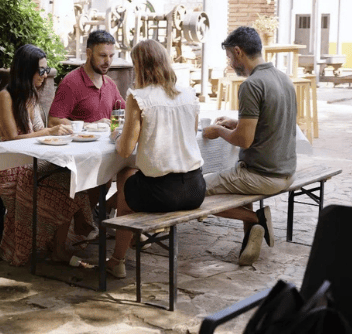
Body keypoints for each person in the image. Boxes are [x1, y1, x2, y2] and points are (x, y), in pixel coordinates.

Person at [105, 40, 205, 279]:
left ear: (139, 66)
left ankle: (117, 259)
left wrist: (116, 135)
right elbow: (190, 134)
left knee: (124, 177)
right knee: (132, 181)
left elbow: (125, 150)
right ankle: (131, 239)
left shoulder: (138, 97)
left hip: (163, 194)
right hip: (195, 188)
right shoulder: (189, 93)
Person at [0, 44, 95, 267]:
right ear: (26, 70)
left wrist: (59, 132)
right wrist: (48, 132)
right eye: (42, 70)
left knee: (72, 179)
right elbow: (10, 140)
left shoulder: (31, 97)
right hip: (9, 164)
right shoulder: (5, 97)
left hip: (32, 160)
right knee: (62, 184)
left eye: (47, 70)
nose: (45, 75)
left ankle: (59, 245)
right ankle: (59, 242)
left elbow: (39, 131)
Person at [202, 26, 296, 266]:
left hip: (263, 175)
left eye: (229, 58)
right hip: (286, 172)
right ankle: (249, 239)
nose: (231, 64)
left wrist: (218, 131)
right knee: (238, 170)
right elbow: (268, 123)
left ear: (238, 52)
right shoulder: (284, 78)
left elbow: (244, 140)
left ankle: (256, 220)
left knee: (192, 191)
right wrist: (235, 122)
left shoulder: (251, 85)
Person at [48, 30, 126, 215]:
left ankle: (106, 212)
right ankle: (92, 218)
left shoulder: (110, 84)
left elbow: (125, 112)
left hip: (107, 157)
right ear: (89, 53)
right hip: (80, 161)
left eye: (111, 56)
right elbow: (53, 120)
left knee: (135, 175)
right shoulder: (71, 83)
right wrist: (88, 126)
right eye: (102, 56)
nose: (108, 61)